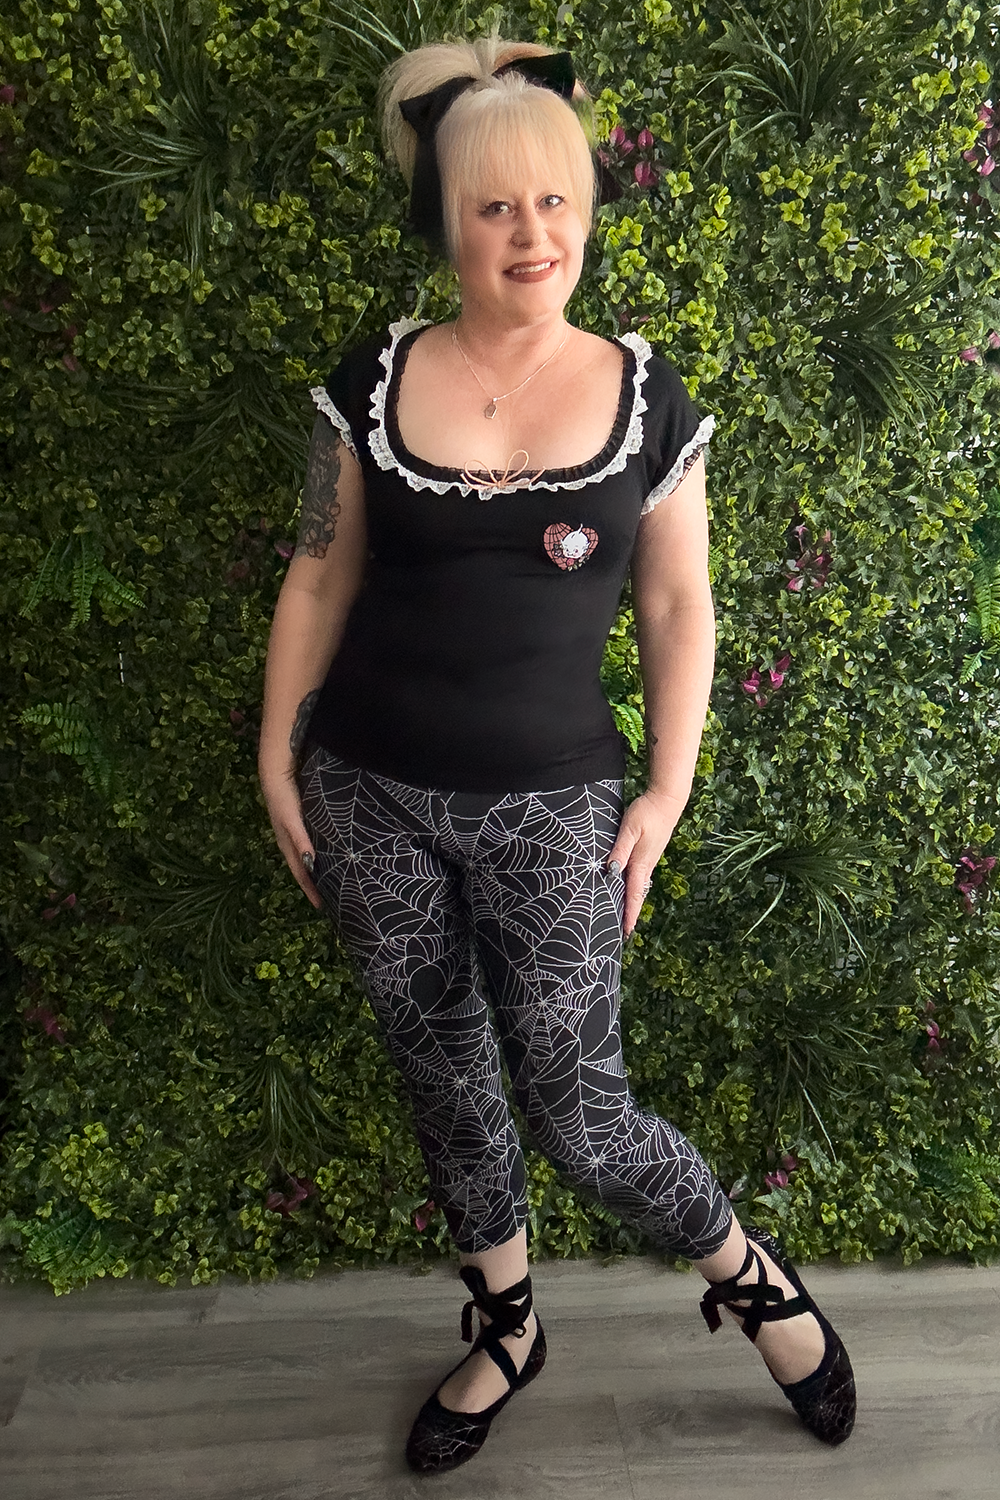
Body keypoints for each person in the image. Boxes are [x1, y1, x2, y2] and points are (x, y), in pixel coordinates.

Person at [258, 33, 856, 1476]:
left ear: (585, 211)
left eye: (557, 202)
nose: (534, 234)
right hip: (368, 792)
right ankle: (508, 1324)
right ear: (446, 222)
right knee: (444, 1068)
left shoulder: (649, 398)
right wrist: (278, 757)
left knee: (584, 1115)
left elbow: (679, 607)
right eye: (495, 206)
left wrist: (668, 787)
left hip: (554, 808)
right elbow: (318, 574)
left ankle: (750, 1279)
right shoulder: (373, 375)